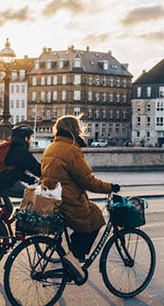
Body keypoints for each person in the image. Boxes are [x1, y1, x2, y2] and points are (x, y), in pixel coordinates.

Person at [39, 115, 120, 283]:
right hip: (67, 200)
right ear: (74, 130)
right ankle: (76, 258)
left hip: (49, 198)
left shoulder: (51, 147)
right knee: (95, 216)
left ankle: (73, 256)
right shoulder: (71, 150)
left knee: (85, 218)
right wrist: (110, 187)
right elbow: (87, 180)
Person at [0, 124, 41, 247]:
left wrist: (29, 179)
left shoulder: (9, 146)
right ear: (25, 138)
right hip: (3, 184)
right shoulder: (21, 150)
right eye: (30, 138)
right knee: (30, 196)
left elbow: (15, 172)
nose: (30, 141)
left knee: (7, 209)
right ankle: (21, 228)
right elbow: (36, 168)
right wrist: (43, 176)